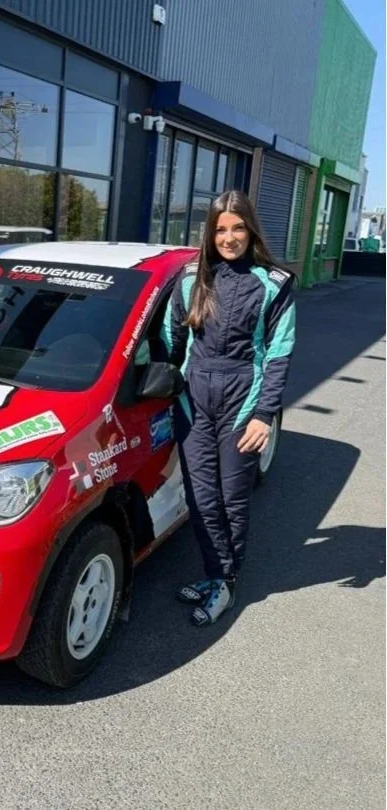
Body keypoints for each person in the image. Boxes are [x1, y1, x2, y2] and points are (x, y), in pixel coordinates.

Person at [161, 190, 296, 626]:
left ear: (250, 229)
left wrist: (264, 415)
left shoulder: (274, 282)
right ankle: (214, 573)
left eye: (238, 227)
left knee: (232, 499)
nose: (229, 237)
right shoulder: (190, 279)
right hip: (194, 397)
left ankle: (226, 581)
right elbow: (168, 341)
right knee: (200, 497)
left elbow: (278, 352)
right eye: (221, 229)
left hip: (243, 399)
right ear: (210, 233)